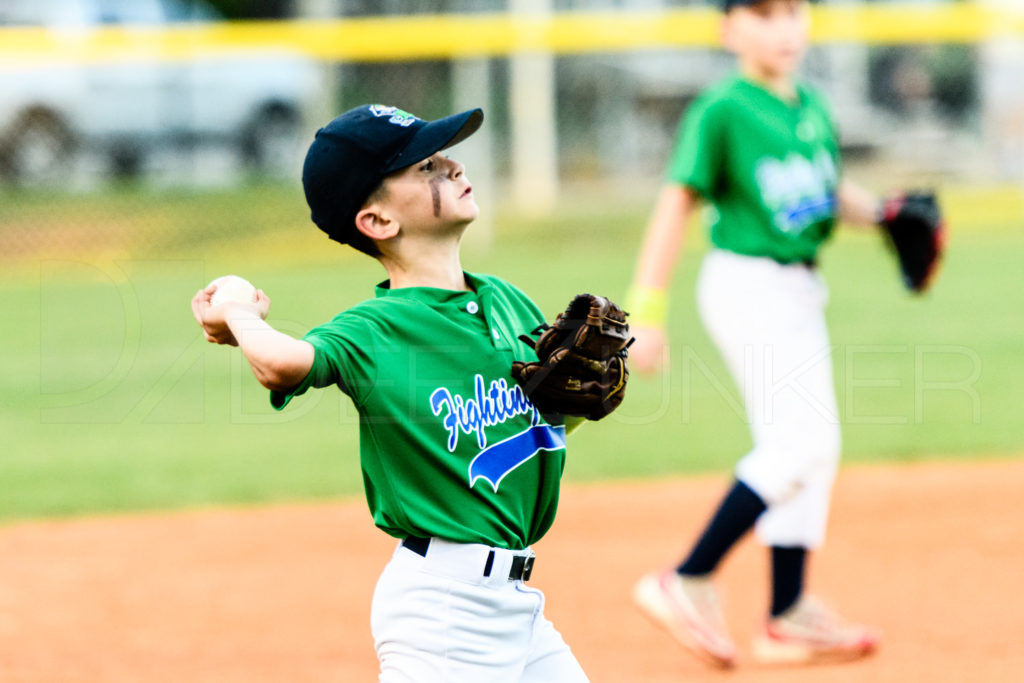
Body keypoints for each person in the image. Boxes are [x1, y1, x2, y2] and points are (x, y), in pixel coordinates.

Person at [191, 104, 591, 682]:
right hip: (445, 614)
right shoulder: (372, 332)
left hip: (514, 606)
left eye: (444, 155)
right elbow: (280, 364)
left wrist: (575, 406)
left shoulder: (507, 301)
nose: (452, 166)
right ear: (377, 221)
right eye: (425, 166)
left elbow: (536, 430)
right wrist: (236, 312)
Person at [627, 0, 884, 668]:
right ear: (729, 28)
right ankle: (683, 577)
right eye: (765, 13)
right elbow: (675, 204)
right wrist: (646, 311)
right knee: (800, 443)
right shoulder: (722, 109)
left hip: (798, 288)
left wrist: (885, 213)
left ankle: (788, 613)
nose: (785, 27)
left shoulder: (810, 107)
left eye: (795, 11)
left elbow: (828, 191)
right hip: (749, 284)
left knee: (813, 448)